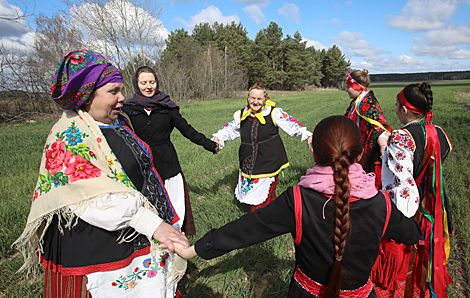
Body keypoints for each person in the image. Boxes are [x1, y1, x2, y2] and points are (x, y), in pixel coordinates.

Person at [176, 115, 423, 297]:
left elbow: (245, 229)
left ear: (314, 154)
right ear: (359, 156)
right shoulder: (380, 202)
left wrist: (194, 250)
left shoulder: (297, 199)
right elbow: (411, 233)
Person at [13, 50, 188, 298]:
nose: (122, 98)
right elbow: (92, 199)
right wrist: (151, 224)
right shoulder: (70, 136)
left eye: (121, 90)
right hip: (97, 247)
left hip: (132, 233)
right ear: (86, 96)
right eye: (113, 91)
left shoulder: (119, 121)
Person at [371, 83, 454, 298]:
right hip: (434, 206)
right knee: (425, 257)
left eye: (397, 105)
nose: (396, 109)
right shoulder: (440, 133)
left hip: (411, 210)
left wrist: (383, 147)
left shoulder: (400, 137)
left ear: (405, 110)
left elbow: (400, 184)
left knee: (404, 255)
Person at [122, 66, 219, 235]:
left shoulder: (167, 106)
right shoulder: (127, 109)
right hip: (140, 164)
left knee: (173, 201)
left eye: (151, 82)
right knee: (146, 203)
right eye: (143, 83)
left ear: (157, 83)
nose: (148, 86)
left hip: (167, 163)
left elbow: (188, 130)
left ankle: (177, 234)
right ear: (136, 85)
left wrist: (210, 145)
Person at [212, 82, 312, 212]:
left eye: (259, 99)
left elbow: (292, 124)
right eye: (253, 98)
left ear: (264, 98)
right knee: (251, 191)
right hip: (248, 159)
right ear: (248, 98)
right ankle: (267, 212)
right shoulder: (242, 114)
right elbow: (229, 128)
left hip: (269, 159)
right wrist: (218, 137)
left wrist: (307, 134)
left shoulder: (273, 113)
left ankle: (261, 217)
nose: (256, 102)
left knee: (264, 195)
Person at [344, 70, 391, 188]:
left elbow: (379, 126)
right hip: (357, 148)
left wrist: (383, 146)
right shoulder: (356, 102)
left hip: (367, 152)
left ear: (357, 87)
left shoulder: (368, 103)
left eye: (348, 87)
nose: (346, 90)